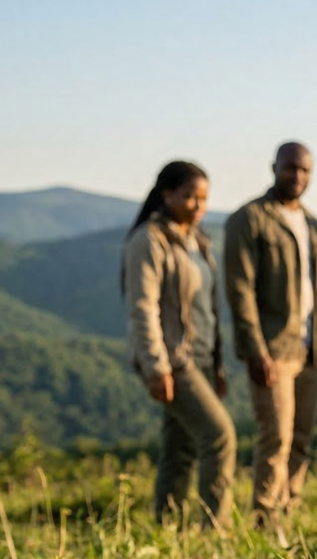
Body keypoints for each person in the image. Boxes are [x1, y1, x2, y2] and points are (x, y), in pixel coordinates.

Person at [224, 142, 317, 532]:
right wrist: (255, 350)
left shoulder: (312, 224)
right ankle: (264, 519)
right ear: (273, 167)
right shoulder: (249, 219)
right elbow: (239, 290)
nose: (298, 176)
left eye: (305, 170)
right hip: (273, 349)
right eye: (291, 168)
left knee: (301, 438)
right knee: (276, 437)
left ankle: (289, 511)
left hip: (310, 347)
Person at [122, 161, 236, 529]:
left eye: (203, 198)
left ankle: (167, 528)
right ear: (166, 194)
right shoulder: (149, 241)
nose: (198, 205)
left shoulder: (197, 241)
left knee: (180, 446)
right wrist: (156, 366)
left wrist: (217, 364)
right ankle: (214, 531)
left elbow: (207, 309)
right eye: (189, 196)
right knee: (219, 436)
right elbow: (143, 307)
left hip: (201, 357)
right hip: (173, 360)